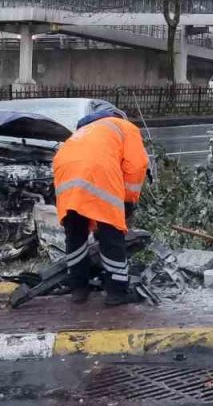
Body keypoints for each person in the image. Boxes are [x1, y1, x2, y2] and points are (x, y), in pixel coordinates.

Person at [53, 107, 149, 306]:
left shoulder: (83, 131)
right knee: (111, 233)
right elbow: (137, 165)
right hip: (97, 171)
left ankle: (79, 289)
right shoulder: (125, 126)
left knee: (75, 232)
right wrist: (128, 199)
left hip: (64, 173)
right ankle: (117, 292)